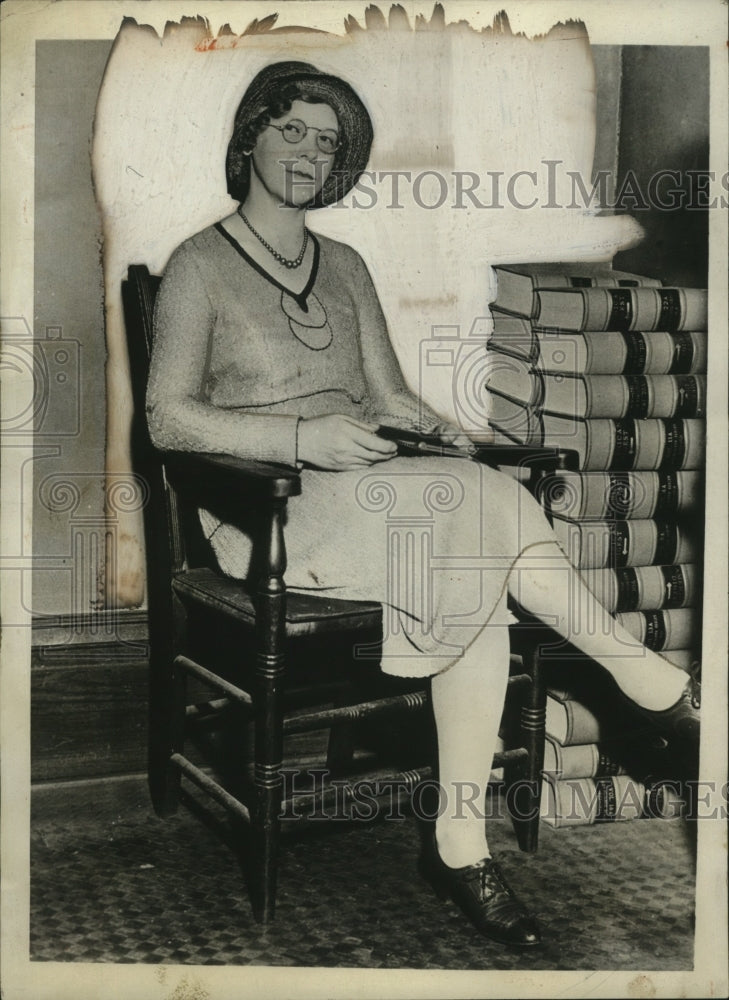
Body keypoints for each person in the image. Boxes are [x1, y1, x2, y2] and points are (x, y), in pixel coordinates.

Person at [146, 60, 700, 948]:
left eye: (327, 142)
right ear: (250, 134)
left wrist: (447, 432)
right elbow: (167, 419)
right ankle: (641, 681)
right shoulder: (197, 267)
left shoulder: (347, 264)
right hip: (270, 510)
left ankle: (457, 844)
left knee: (470, 528)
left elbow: (388, 397)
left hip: (378, 494)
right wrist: (300, 440)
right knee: (465, 516)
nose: (307, 152)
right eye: (291, 129)